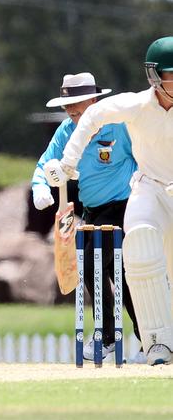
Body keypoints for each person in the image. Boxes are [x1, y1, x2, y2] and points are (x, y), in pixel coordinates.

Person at [44, 37, 173, 365]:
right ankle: (156, 342)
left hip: (136, 195)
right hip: (147, 190)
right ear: (156, 76)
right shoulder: (137, 106)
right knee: (138, 251)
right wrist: (67, 165)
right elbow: (92, 118)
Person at [32, 72, 140, 362]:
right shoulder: (66, 130)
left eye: (77, 102)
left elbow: (144, 155)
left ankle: (118, 338)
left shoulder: (118, 127)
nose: (71, 110)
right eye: (67, 104)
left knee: (105, 266)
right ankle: (138, 339)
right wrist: (41, 189)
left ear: (94, 100)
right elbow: (45, 164)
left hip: (125, 205)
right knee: (114, 272)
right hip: (91, 210)